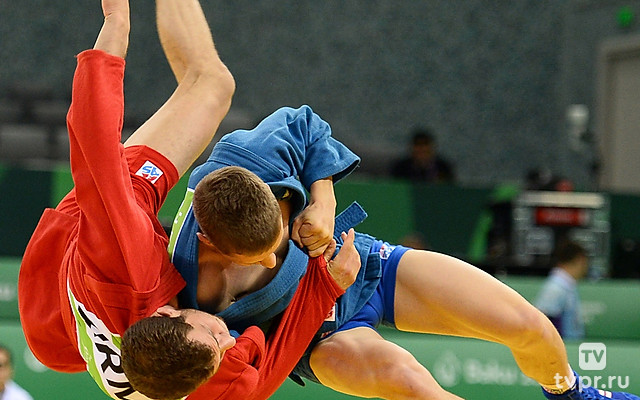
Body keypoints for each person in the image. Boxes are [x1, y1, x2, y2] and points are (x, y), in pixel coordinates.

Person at [170, 107, 640, 400]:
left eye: (278, 240)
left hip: (367, 267)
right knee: (414, 386)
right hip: (317, 336)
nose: (274, 260)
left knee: (529, 327)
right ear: (210, 241)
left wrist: (324, 201)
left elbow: (308, 127)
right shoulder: (178, 287)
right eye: (257, 258)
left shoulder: (248, 158)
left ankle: (571, 393)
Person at [17, 1, 362, 400]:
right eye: (221, 349)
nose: (229, 338)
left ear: (168, 312)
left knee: (212, 85)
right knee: (207, 85)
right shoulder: (203, 372)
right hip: (55, 336)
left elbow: (93, 146)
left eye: (215, 335)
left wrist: (115, 27)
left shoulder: (127, 261)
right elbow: (263, 378)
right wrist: (326, 287)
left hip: (79, 253)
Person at [535, 240, 589, 340]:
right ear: (580, 260)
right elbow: (544, 320)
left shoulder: (568, 286)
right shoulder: (555, 287)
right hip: (561, 346)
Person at [390, 127, 455, 183]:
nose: (422, 149)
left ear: (432, 147)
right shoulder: (400, 168)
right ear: (411, 148)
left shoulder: (443, 168)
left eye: (425, 144)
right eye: (418, 145)